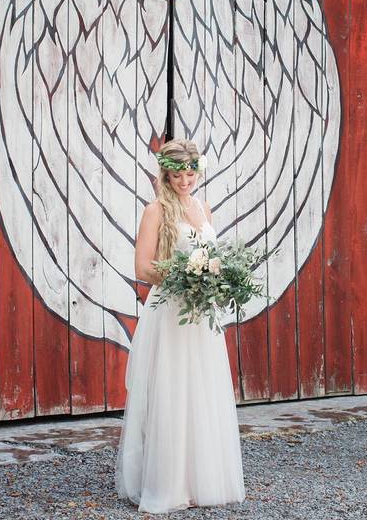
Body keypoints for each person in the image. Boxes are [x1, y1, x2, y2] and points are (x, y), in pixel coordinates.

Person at [115, 139, 246, 513]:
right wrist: (186, 274)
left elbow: (213, 257)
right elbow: (142, 268)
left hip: (201, 317)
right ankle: (167, 484)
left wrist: (214, 278)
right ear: (165, 172)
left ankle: (200, 479)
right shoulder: (155, 210)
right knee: (171, 394)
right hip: (171, 312)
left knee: (201, 393)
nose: (185, 181)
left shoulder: (203, 208)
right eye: (178, 175)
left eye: (191, 174)